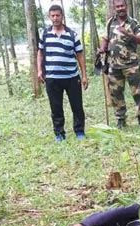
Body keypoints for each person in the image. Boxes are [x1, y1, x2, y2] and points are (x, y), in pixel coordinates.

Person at [37, 4, 88, 142]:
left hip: (72, 77)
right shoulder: (45, 34)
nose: (55, 18)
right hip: (52, 78)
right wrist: (40, 70)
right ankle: (59, 133)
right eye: (52, 16)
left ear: (62, 16)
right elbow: (40, 52)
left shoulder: (72, 35)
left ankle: (79, 131)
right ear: (49, 17)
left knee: (77, 106)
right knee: (56, 108)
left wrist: (84, 75)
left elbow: (80, 55)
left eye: (57, 15)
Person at [99, 0, 140, 129]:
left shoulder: (133, 23)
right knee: (116, 93)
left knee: (137, 92)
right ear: (115, 8)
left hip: (131, 64)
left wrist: (129, 34)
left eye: (122, 6)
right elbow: (105, 38)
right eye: (118, 6)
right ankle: (120, 119)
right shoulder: (110, 22)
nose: (120, 8)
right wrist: (102, 49)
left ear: (126, 7)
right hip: (114, 65)